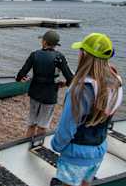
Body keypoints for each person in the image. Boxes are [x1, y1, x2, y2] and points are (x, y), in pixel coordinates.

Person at [51, 33, 122, 186]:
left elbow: (67, 129)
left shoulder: (81, 89)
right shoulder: (116, 82)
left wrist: (56, 145)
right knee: (86, 183)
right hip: (99, 149)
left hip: (76, 154)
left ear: (83, 54)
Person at [16, 30, 73, 137]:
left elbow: (21, 74)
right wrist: (63, 84)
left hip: (34, 92)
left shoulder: (34, 55)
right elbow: (71, 79)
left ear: (44, 42)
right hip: (50, 95)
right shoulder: (59, 57)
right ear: (55, 45)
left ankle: (28, 143)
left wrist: (22, 79)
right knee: (42, 125)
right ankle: (37, 144)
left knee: (32, 123)